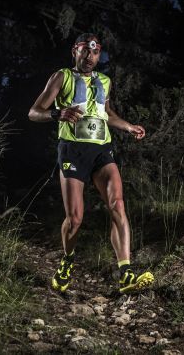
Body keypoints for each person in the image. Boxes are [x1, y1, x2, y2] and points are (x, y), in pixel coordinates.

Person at [28, 33, 154, 294]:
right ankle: (67, 261)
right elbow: (33, 112)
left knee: (117, 204)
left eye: (95, 53)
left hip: (101, 150)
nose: (90, 57)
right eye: (85, 51)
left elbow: (106, 113)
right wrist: (57, 113)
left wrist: (128, 126)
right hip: (72, 150)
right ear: (75, 51)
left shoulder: (104, 81)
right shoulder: (61, 77)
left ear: (99, 55)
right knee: (75, 219)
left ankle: (126, 273)